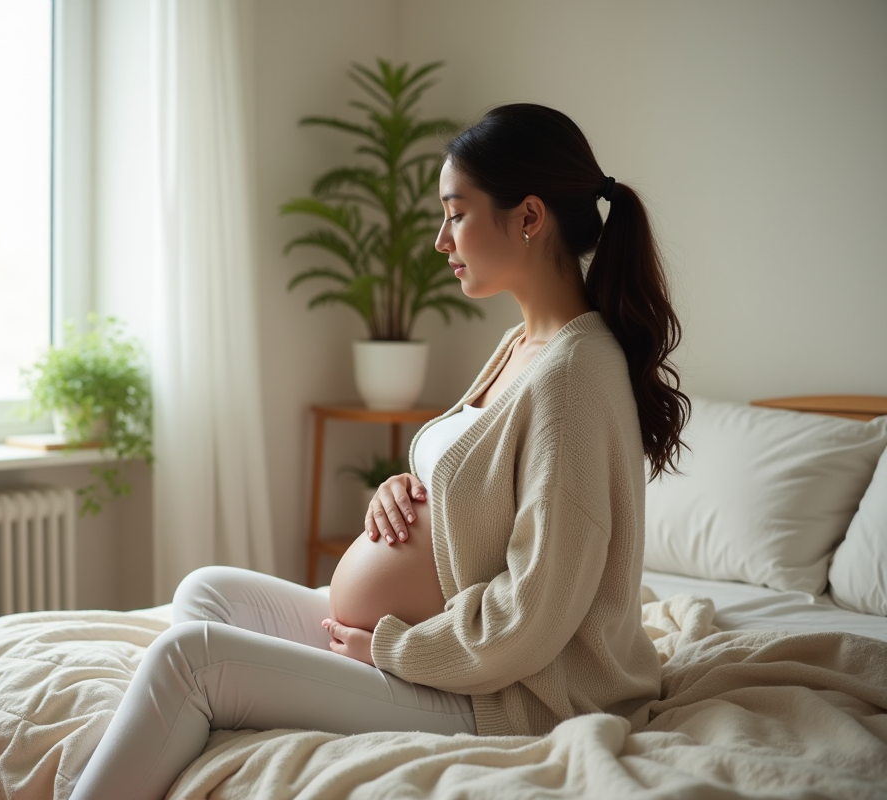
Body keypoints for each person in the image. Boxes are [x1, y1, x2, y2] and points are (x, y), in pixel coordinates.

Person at [69, 103, 688, 800]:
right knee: (205, 591)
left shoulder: (575, 375)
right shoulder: (523, 345)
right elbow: (481, 489)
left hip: (505, 694)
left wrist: (394, 649)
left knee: (191, 660)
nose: (439, 240)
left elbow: (533, 616)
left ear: (529, 217)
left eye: (455, 214)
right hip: (437, 643)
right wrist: (400, 485)